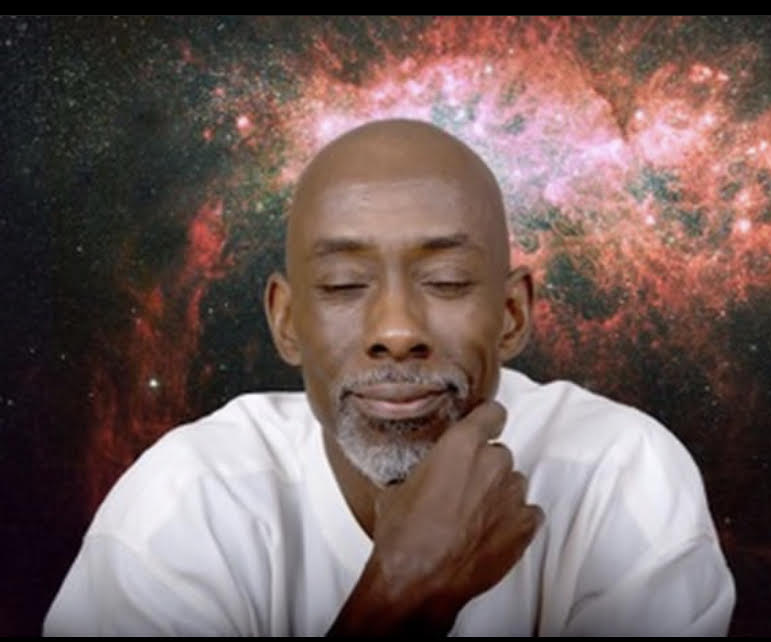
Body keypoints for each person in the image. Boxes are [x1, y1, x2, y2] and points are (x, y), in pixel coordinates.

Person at [44, 119, 735, 636]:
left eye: (447, 280)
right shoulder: (185, 504)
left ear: (512, 315)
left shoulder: (623, 475)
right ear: (287, 322)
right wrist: (401, 595)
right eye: (344, 285)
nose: (397, 331)